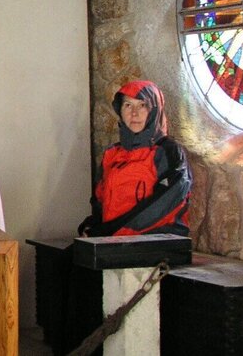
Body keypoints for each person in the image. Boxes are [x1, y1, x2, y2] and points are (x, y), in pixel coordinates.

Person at [59, 80, 192, 354]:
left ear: (154, 110)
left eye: (142, 106)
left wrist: (110, 233)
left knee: (88, 269)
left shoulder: (168, 152)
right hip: (116, 237)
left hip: (157, 237)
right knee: (67, 261)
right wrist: (94, 223)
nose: (134, 114)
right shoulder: (112, 154)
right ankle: (75, 348)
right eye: (128, 106)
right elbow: (101, 197)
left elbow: (163, 206)